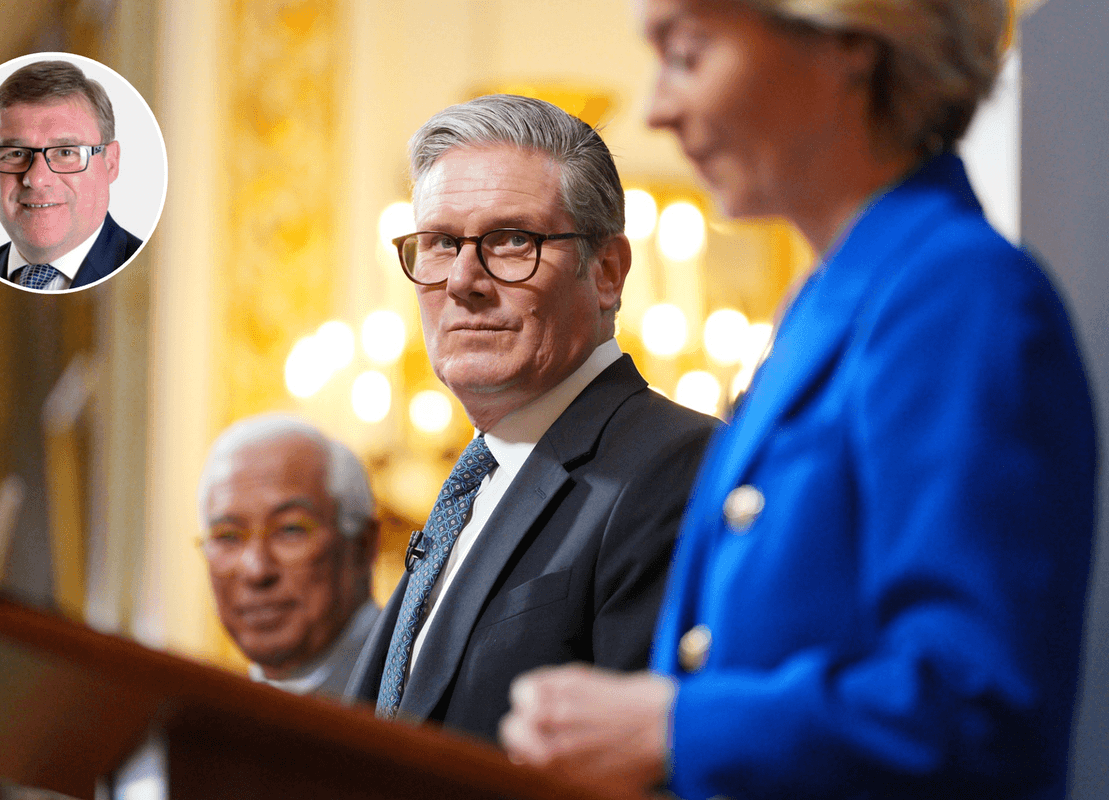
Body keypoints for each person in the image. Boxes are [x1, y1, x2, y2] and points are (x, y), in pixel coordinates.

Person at [499, 2, 1097, 799]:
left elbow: (979, 708)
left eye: (687, 54)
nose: (656, 110)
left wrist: (671, 729)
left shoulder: (961, 296)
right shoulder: (825, 304)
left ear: (848, 42)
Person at [344, 95, 720, 742]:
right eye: (440, 243)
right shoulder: (473, 484)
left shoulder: (678, 467)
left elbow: (644, 765)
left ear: (607, 272)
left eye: (512, 240)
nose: (463, 280)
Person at [198, 415, 380, 697]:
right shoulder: (198, 710)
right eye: (228, 536)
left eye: (290, 530)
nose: (257, 570)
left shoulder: (419, 694)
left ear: (362, 546)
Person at [0, 60, 141, 290]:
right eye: (16, 153)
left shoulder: (157, 277)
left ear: (111, 163)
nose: (37, 179)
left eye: (66, 152)